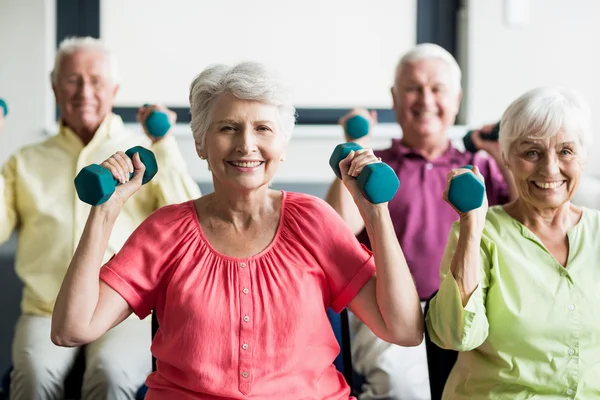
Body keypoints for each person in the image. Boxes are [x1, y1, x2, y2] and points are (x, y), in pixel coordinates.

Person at [50, 61, 424, 400]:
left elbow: (404, 329)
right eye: (228, 128)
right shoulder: (164, 231)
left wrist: (376, 214)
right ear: (200, 143)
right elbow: (72, 329)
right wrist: (104, 212)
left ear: (282, 145)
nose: (247, 145)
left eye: (263, 128)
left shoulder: (315, 220)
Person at [0, 36, 201, 400]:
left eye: (95, 80)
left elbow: (193, 222)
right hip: (45, 308)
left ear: (114, 89)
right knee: (31, 378)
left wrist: (165, 143)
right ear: (54, 86)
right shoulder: (24, 161)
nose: (84, 91)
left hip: (124, 307)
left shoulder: (142, 154)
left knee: (110, 375)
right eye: (73, 80)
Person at [325, 43, 518, 399]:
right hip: (392, 310)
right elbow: (336, 227)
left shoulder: (480, 167)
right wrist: (355, 144)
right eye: (413, 88)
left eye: (436, 89)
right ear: (395, 98)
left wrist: (498, 150)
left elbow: (526, 224)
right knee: (400, 390)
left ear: (456, 99)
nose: (425, 99)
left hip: (471, 305)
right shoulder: (374, 164)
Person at [426, 86, 600, 399]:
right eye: (532, 152)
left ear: (584, 157)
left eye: (565, 151)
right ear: (506, 157)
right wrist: (471, 223)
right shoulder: (480, 233)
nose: (549, 168)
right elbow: (454, 336)